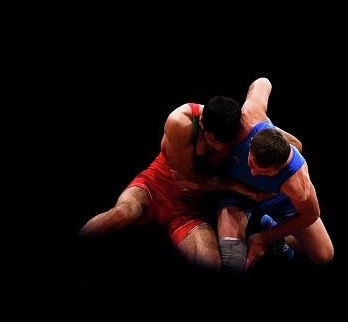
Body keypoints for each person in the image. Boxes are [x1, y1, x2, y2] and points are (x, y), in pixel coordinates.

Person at [77, 96, 264, 272]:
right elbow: (184, 180)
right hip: (154, 185)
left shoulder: (240, 130)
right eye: (213, 141)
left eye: (223, 143)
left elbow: (262, 85)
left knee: (210, 263)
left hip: (189, 208)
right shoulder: (180, 121)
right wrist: (231, 184)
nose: (218, 147)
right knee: (122, 213)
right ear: (201, 123)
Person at [216, 77, 334, 275]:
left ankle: (274, 228)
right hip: (238, 192)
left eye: (261, 172)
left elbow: (311, 214)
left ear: (278, 169)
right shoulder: (250, 117)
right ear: (253, 142)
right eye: (250, 163)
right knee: (233, 260)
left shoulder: (296, 183)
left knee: (323, 255)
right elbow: (263, 82)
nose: (252, 172)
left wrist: (266, 237)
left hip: (276, 198)